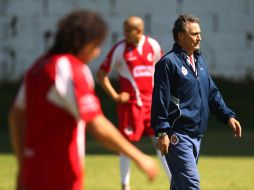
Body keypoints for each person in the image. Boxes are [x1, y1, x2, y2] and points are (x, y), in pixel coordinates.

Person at [8, 9, 159, 190]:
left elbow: (16, 116)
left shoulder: (38, 67)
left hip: (32, 173)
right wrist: (139, 157)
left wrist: (22, 164)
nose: (96, 52)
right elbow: (95, 123)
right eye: (96, 45)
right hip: (60, 174)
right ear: (83, 43)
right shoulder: (70, 69)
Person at [151, 13, 242, 190]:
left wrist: (228, 116)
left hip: (196, 135)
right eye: (194, 34)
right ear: (180, 36)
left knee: (180, 186)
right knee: (191, 185)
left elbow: (211, 93)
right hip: (177, 135)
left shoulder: (199, 60)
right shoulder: (168, 63)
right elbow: (160, 99)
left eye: (199, 33)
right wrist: (162, 132)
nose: (199, 37)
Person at [97, 16, 171, 190]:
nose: (124, 34)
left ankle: (174, 183)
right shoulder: (120, 49)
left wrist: (164, 97)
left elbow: (163, 71)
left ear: (138, 31)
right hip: (131, 107)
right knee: (126, 145)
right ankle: (125, 186)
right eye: (124, 29)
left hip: (153, 106)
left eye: (127, 30)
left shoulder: (152, 46)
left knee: (162, 142)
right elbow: (101, 75)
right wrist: (115, 96)